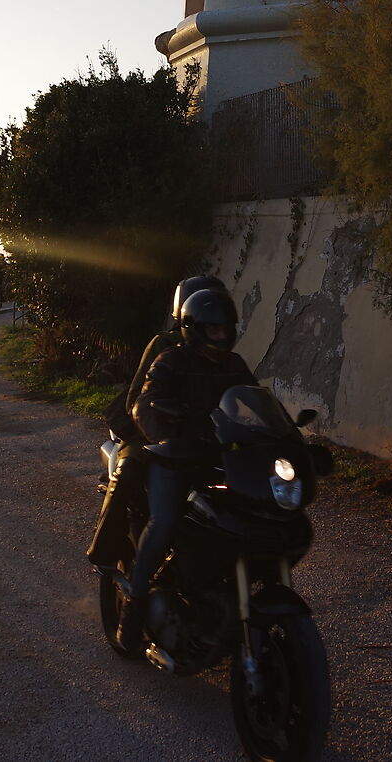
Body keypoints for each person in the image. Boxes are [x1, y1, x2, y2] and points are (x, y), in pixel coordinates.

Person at [118, 285, 256, 647]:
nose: (220, 336)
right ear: (194, 329)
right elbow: (144, 404)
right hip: (175, 457)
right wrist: (166, 438)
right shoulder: (170, 361)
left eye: (225, 329)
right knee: (163, 521)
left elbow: (254, 401)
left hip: (219, 457)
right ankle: (134, 603)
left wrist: (281, 432)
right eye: (213, 329)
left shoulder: (235, 365)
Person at [86, 274, 224, 569]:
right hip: (149, 429)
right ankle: (103, 551)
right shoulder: (164, 343)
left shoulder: (221, 346)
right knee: (129, 470)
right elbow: (136, 397)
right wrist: (162, 427)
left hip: (200, 434)